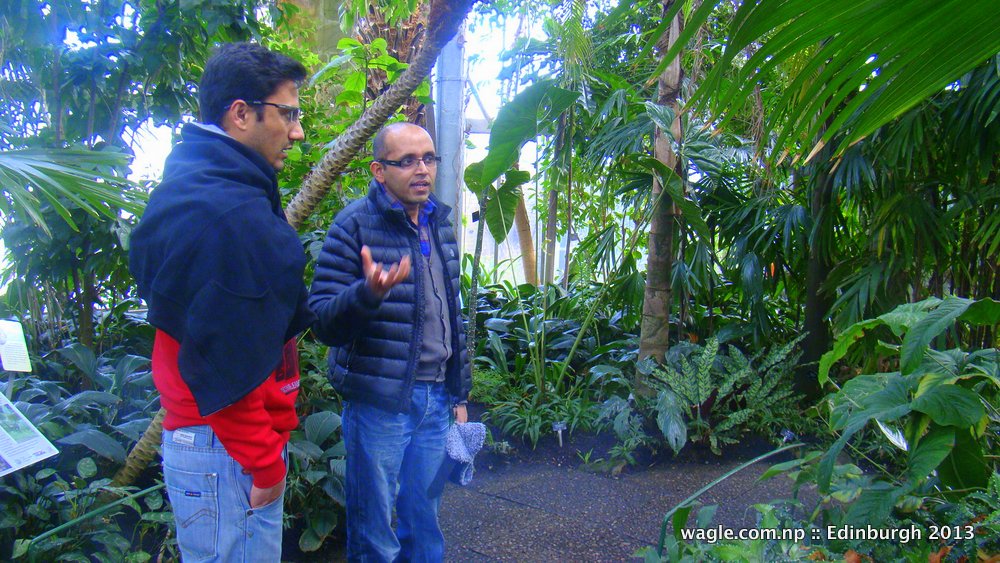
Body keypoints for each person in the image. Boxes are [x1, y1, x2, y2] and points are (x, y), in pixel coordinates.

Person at [129, 43, 315, 562]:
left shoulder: (203, 184)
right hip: (223, 443)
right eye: (288, 113)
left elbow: (248, 327)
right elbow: (219, 359)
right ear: (240, 113)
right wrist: (264, 458)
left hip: (229, 440)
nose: (297, 131)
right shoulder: (224, 210)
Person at [309, 122, 472, 561]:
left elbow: (450, 316)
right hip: (380, 405)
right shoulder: (353, 226)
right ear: (379, 170)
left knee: (425, 522)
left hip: (436, 401)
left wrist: (459, 393)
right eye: (407, 161)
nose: (422, 170)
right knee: (374, 531)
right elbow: (323, 321)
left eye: (429, 158)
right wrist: (368, 294)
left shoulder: (439, 221)